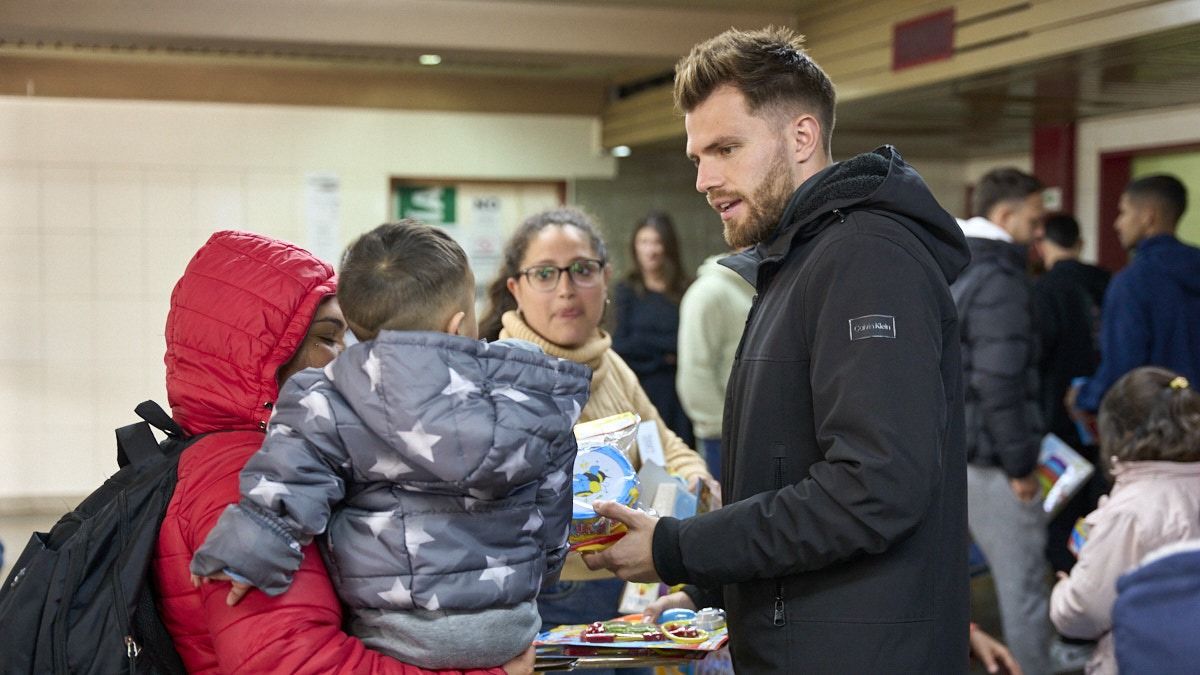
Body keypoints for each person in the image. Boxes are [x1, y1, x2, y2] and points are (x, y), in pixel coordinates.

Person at [580, 26, 971, 673]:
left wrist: (682, 546)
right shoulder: (798, 259)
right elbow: (786, 472)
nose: (705, 178)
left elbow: (875, 487)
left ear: (801, 137)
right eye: (696, 157)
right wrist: (702, 587)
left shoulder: (865, 258)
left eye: (725, 149)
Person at [190, 222, 590, 669]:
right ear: (459, 324)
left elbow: (289, 480)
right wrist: (546, 564)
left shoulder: (330, 397)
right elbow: (554, 501)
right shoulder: (525, 393)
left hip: (397, 636)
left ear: (355, 326)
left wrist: (248, 553)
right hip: (510, 627)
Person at [478, 207, 713, 673]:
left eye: (582, 270)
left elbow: (662, 442)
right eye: (544, 274)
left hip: (630, 587)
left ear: (606, 279)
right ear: (515, 290)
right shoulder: (497, 378)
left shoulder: (610, 364)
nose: (565, 289)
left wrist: (696, 477)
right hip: (548, 598)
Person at [953, 167, 1052, 674]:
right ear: (1006, 215)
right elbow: (999, 382)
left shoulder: (956, 264)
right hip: (994, 462)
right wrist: (1020, 466)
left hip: (957, 452)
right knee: (1025, 589)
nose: (1040, 232)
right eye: (1034, 220)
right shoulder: (1002, 281)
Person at [1050, 367, 1200, 674]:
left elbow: (1086, 611)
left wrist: (1063, 595)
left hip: (1149, 659)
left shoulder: (1128, 512)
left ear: (1121, 433)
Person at [1070, 175, 1200, 419]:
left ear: (1148, 216)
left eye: (1124, 212)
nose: (1118, 223)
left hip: (1159, 428)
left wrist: (1085, 396)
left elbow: (1123, 368)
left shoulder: (1133, 282)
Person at [1033, 213, 1111, 576]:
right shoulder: (1111, 282)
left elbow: (1035, 358)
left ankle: (1069, 583)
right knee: (1101, 503)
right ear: (1080, 242)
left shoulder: (1041, 291)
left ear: (1041, 245)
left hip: (1058, 422)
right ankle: (1096, 572)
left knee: (1061, 510)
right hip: (1111, 413)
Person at [612, 211, 694, 447]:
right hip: (640, 390)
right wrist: (663, 357)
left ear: (668, 246)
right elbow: (621, 346)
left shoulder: (685, 289)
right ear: (635, 247)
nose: (651, 250)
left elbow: (686, 344)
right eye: (644, 242)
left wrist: (645, 343)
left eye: (657, 242)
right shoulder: (626, 289)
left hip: (678, 394)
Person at [676, 246, 754, 481]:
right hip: (724, 437)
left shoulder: (761, 285)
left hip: (756, 431)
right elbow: (694, 373)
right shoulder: (708, 293)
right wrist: (721, 428)